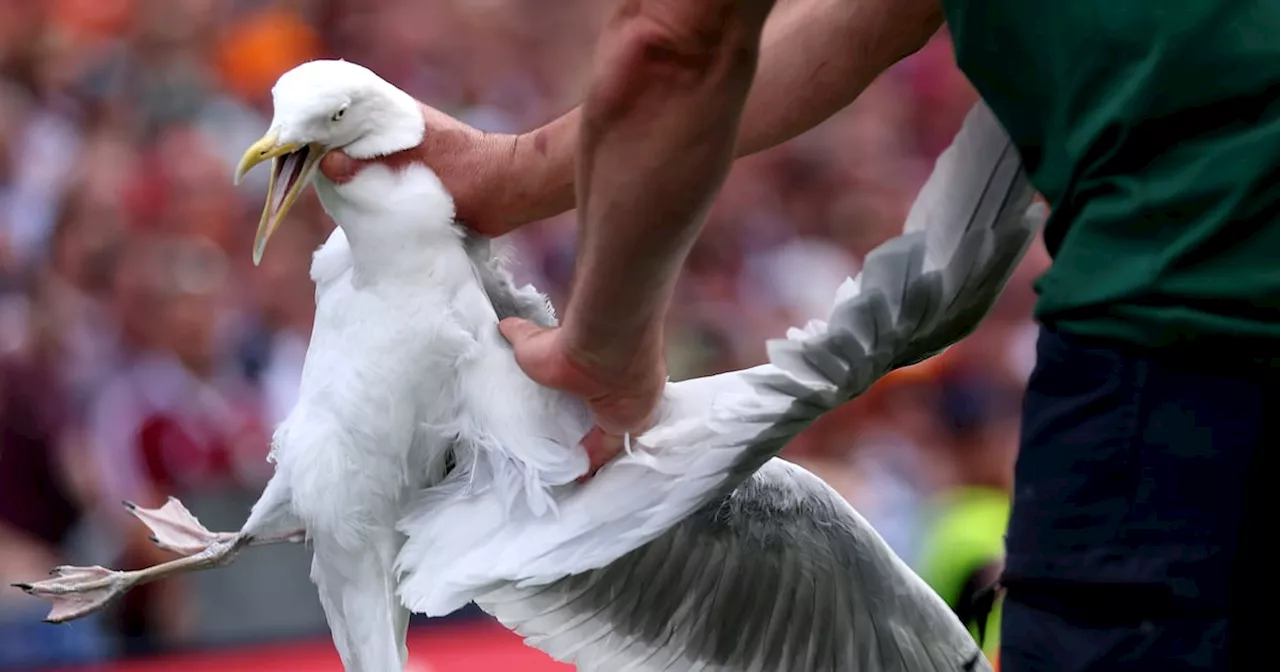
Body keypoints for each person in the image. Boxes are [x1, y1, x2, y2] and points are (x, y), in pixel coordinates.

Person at [320, 0, 1274, 668]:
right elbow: (866, 16)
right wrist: (519, 170)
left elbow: (679, 38)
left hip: (1183, 341)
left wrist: (602, 348)